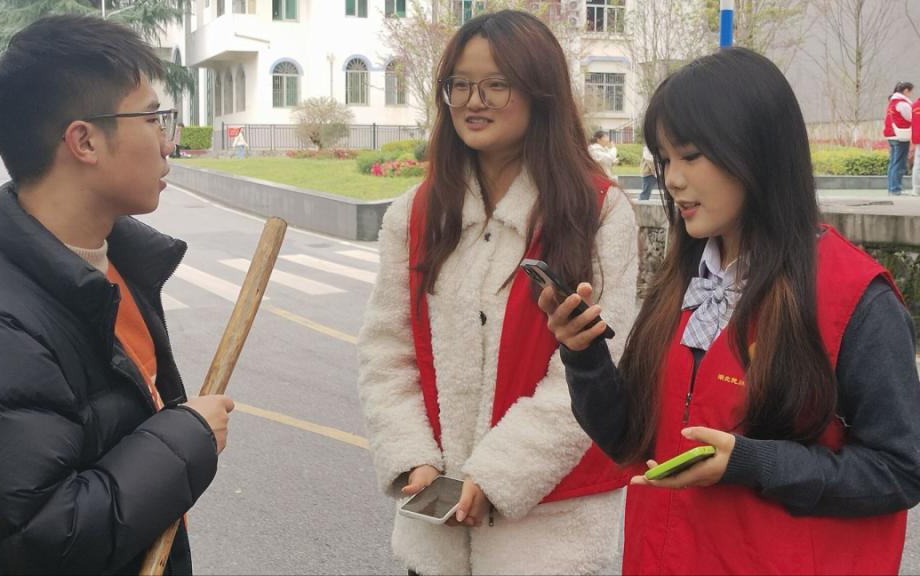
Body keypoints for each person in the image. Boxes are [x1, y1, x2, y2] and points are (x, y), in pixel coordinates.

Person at [540, 47, 920, 574]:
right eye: (664, 159)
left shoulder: (855, 296)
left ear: (757, 151)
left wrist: (752, 462)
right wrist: (583, 356)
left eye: (691, 155)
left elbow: (900, 470)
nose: (672, 179)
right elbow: (629, 440)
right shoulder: (682, 281)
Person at [0, 15, 235, 574]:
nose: (167, 140)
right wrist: (187, 438)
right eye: (152, 117)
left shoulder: (111, 267)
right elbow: (45, 538)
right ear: (84, 141)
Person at [357, 10, 639, 575]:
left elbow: (597, 371)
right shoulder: (416, 214)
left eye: (496, 85)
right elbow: (386, 352)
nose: (473, 101)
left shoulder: (597, 212)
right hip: (436, 529)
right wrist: (414, 459)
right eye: (459, 84)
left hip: (548, 538)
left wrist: (497, 474)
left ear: (540, 91)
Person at [884, 81, 913, 195]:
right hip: (900, 136)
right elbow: (910, 117)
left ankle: (892, 188)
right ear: (905, 90)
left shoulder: (892, 102)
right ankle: (895, 189)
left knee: (893, 163)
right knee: (899, 163)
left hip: (891, 135)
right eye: (910, 91)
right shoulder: (902, 103)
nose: (910, 94)